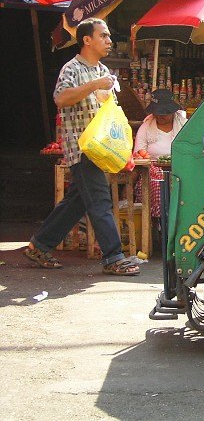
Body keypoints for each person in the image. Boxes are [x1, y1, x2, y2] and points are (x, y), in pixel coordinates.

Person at [23, 18, 140, 275]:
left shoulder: (103, 71)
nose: (109, 41)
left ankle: (38, 246)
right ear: (87, 40)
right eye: (104, 36)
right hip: (81, 148)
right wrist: (93, 86)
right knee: (100, 201)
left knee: (77, 201)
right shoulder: (72, 69)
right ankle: (113, 257)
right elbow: (61, 98)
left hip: (100, 148)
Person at [134, 89, 187, 219]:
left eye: (164, 113)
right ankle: (159, 222)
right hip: (151, 173)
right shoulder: (146, 128)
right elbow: (139, 153)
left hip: (180, 170)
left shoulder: (184, 126)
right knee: (158, 185)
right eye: (157, 113)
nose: (160, 116)